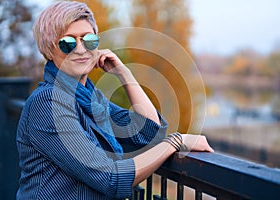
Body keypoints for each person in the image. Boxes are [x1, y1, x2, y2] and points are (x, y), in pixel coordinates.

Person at [16, 1, 214, 199]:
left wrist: (124, 74)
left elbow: (149, 133)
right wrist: (176, 141)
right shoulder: (48, 102)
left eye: (89, 40)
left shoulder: (91, 100)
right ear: (49, 50)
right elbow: (109, 178)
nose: (81, 48)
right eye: (68, 43)